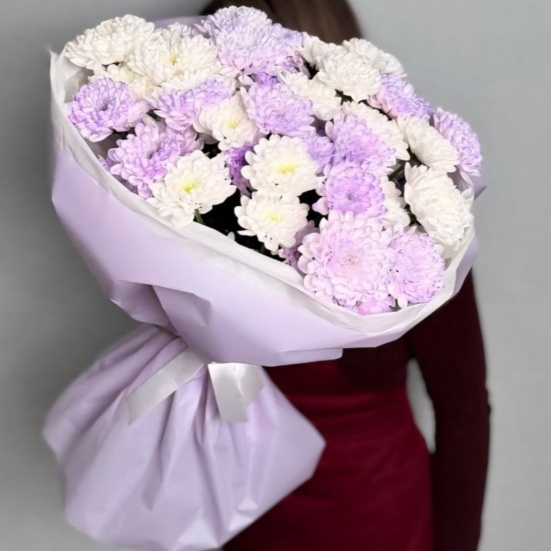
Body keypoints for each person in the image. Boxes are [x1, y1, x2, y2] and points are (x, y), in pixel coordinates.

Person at [201, 1, 491, 550]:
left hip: (371, 519)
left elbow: (463, 409)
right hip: (238, 509)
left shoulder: (419, 217)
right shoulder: (199, 206)